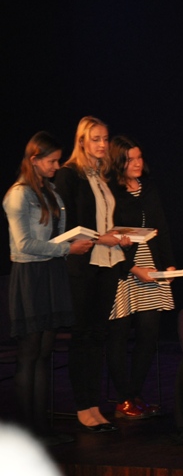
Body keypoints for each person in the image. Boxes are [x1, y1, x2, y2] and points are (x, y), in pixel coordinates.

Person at [3, 132, 93, 446]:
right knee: (29, 353)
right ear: (34, 160)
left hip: (52, 271)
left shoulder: (49, 190)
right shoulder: (19, 194)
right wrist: (68, 249)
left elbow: (54, 235)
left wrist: (72, 241)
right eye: (51, 161)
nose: (56, 166)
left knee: (44, 353)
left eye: (57, 160)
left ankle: (42, 427)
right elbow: (24, 244)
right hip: (31, 275)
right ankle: (27, 432)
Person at [54, 116, 132, 432]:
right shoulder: (68, 174)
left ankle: (95, 405)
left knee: (98, 336)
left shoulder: (102, 175)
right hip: (83, 264)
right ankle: (82, 407)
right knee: (82, 336)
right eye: (95, 139)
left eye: (105, 138)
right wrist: (102, 238)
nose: (102, 144)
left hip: (108, 262)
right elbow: (67, 226)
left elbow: (107, 219)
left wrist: (121, 236)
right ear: (82, 141)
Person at [106, 135, 176, 420]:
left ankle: (134, 395)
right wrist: (134, 268)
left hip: (151, 264)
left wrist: (168, 265)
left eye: (139, 157)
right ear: (118, 162)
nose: (137, 163)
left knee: (149, 334)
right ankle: (123, 398)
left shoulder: (149, 189)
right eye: (130, 159)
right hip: (124, 268)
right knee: (119, 336)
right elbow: (109, 236)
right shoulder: (111, 192)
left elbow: (162, 228)